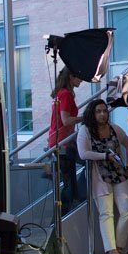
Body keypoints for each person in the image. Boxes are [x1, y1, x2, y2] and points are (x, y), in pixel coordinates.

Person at [77, 99, 128, 254]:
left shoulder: (114, 129)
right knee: (106, 212)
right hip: (99, 175)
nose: (102, 114)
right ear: (92, 114)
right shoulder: (86, 130)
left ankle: (120, 246)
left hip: (118, 173)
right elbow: (83, 153)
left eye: (104, 111)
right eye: (98, 111)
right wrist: (105, 156)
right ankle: (111, 249)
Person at [49, 67, 84, 209]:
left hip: (61, 141)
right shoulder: (65, 95)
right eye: (79, 77)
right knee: (69, 180)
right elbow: (66, 120)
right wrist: (85, 118)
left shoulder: (62, 94)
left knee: (69, 178)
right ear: (71, 76)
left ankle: (71, 204)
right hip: (62, 142)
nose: (81, 80)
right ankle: (68, 209)